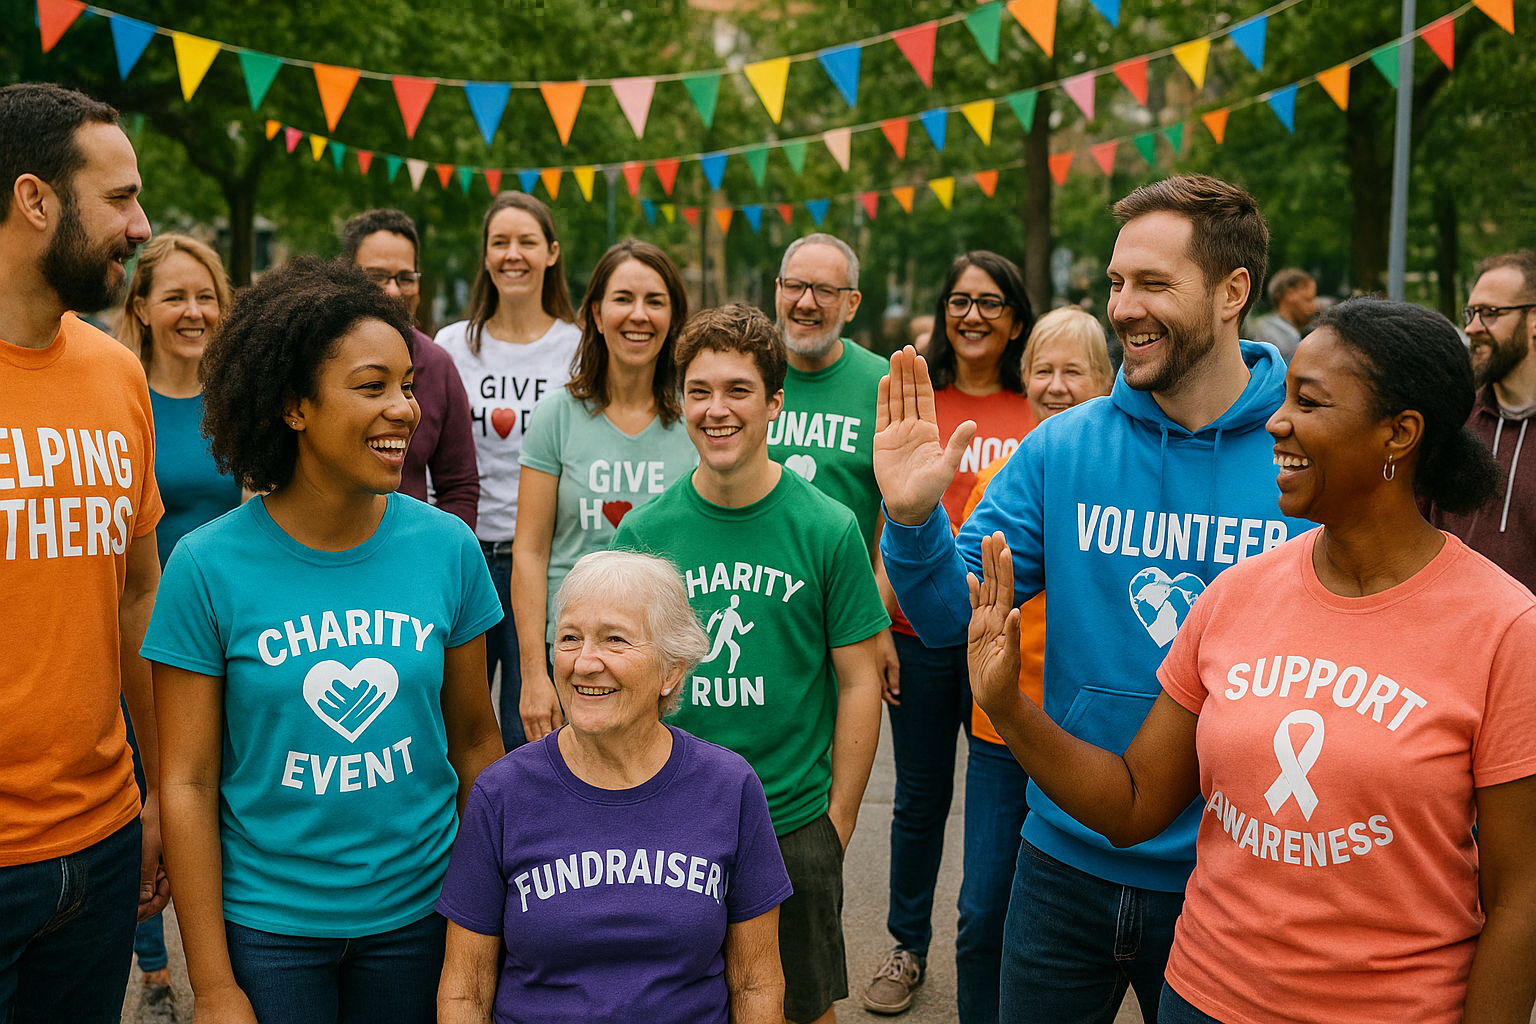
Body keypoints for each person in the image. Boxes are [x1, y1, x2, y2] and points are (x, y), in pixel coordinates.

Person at [970, 297, 1536, 1024]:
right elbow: (1137, 802)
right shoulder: (1237, 594)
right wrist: (1010, 709)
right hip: (1203, 999)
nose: (1277, 421)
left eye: (1310, 401)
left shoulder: (1502, 628)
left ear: (1399, 433)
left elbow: (1519, 898)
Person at [878, 174, 1311, 1024]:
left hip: (1232, 879)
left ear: (1233, 293)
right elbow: (948, 618)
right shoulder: (1059, 450)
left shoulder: (1300, 446)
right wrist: (911, 517)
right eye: (1116, 283)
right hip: (1062, 866)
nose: (1123, 307)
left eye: (1153, 283)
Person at [145, 257, 505, 1024]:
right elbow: (187, 783)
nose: (404, 409)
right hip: (269, 932)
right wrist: (212, 984)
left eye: (406, 386)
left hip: (422, 916)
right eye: (371, 387)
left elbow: (476, 743)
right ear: (294, 407)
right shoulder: (205, 568)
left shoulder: (449, 550)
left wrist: (486, 926)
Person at [612, 304, 888, 1024]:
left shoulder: (828, 528)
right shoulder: (645, 531)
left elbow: (860, 679)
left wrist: (838, 821)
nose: (717, 409)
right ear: (679, 402)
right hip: (672, 817)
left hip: (791, 820)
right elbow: (624, 685)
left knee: (801, 1007)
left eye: (738, 390)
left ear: (774, 402)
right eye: (700, 391)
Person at [436, 549, 793, 1023]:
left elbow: (757, 982)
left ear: (671, 670)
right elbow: (465, 993)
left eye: (615, 640)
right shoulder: (502, 792)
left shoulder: (729, 787)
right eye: (569, 638)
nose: (584, 663)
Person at [0, 82, 166, 1024]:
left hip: (101, 848)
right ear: (36, 201)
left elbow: (136, 599)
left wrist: (151, 798)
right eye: (120, 198)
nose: (141, 225)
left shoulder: (116, 373)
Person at [863, 250, 1036, 1017]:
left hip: (1009, 638)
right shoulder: (916, 402)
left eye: (991, 302)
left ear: (1017, 320)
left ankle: (998, 940)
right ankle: (907, 946)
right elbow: (888, 511)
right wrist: (876, 625)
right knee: (920, 797)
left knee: (1005, 800)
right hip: (918, 633)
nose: (973, 315)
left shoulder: (1039, 408)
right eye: (960, 300)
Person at [950, 307, 1114, 1024]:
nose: (1054, 385)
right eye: (1042, 371)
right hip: (1002, 733)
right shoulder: (1003, 477)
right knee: (985, 909)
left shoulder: (1119, 475)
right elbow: (952, 589)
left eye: (1072, 371)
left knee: (1090, 920)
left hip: (1091, 742)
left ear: (1106, 381)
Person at [116, 232, 241, 1017]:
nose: (194, 311)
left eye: (206, 297)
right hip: (133, 628)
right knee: (142, 782)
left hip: (222, 631)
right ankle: (151, 960)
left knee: (204, 783)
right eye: (175, 297)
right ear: (142, 308)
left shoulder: (238, 398)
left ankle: (216, 944)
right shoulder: (120, 389)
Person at [513, 240, 697, 741]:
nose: (638, 315)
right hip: (580, 663)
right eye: (623, 298)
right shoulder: (557, 415)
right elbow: (529, 553)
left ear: (673, 316)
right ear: (596, 313)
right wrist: (534, 674)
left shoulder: (697, 418)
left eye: (655, 301)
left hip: (665, 664)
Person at [436, 192, 581, 751]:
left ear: (551, 253)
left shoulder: (577, 348)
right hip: (466, 558)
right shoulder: (452, 346)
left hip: (542, 566)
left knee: (535, 728)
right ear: (486, 256)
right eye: (500, 242)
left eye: (526, 242)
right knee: (457, 727)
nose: (512, 254)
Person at [764, 231, 900, 816]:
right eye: (795, 286)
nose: (806, 302)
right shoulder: (748, 372)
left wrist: (875, 619)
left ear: (852, 303)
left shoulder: (882, 386)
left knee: (829, 766)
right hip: (758, 601)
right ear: (777, 292)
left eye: (824, 289)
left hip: (842, 610)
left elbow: (899, 516)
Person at [343, 209, 479, 528]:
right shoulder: (315, 358)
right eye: (376, 276)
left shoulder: (438, 365)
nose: (392, 290)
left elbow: (459, 486)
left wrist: (440, 558)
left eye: (405, 278)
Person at [1430, 251, 1536, 590]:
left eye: (1490, 313)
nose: (1472, 328)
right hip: (1449, 634)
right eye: (1471, 313)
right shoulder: (1452, 421)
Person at [1247, 268, 1317, 362]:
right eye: (1308, 299)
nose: (1313, 307)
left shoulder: (1300, 331)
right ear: (1290, 294)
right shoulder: (1266, 330)